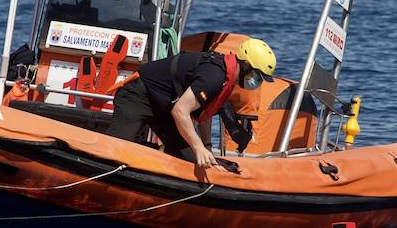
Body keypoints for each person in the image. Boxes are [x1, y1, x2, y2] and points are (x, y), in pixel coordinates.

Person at [106, 37, 275, 170]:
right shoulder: (214, 76)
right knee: (116, 152)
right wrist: (199, 147)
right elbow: (181, 111)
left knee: (190, 159)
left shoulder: (226, 78)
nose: (256, 81)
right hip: (138, 95)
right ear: (245, 65)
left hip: (164, 107)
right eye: (257, 75)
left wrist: (206, 147)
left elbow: (204, 111)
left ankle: (152, 160)